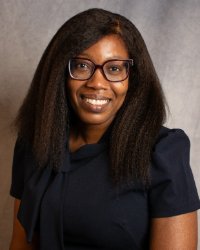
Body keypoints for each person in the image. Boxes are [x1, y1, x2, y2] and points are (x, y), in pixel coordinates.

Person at [9, 8, 200, 250]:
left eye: (114, 69)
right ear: (61, 72)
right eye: (81, 65)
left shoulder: (162, 153)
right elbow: (20, 244)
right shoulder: (34, 144)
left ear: (133, 78)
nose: (97, 83)